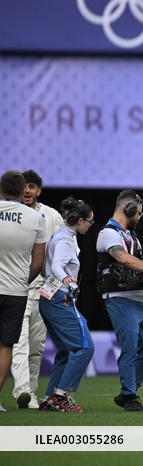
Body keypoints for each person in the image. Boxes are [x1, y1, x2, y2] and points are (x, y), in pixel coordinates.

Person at [96, 190, 143, 412]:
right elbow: (122, 258)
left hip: (139, 299)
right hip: (119, 298)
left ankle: (129, 390)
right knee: (129, 346)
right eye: (138, 213)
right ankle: (130, 395)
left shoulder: (131, 236)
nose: (140, 217)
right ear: (128, 210)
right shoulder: (108, 234)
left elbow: (138, 271)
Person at [37, 198, 96, 413]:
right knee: (85, 347)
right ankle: (60, 397)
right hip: (59, 299)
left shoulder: (60, 235)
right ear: (79, 221)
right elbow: (56, 267)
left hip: (49, 298)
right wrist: (69, 281)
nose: (90, 225)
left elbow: (47, 269)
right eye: (89, 221)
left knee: (66, 350)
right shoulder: (65, 240)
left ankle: (50, 397)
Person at [10, 170, 62, 410]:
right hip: (15, 288)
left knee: (36, 346)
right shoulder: (9, 215)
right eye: (24, 186)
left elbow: (61, 253)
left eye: (32, 186)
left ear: (39, 190)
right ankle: (21, 390)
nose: (28, 190)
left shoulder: (51, 216)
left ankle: (29, 393)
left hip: (42, 290)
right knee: (18, 343)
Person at [0, 171, 47, 413]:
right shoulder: (35, 217)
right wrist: (20, 281)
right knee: (7, 346)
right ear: (22, 192)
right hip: (17, 291)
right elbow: (38, 263)